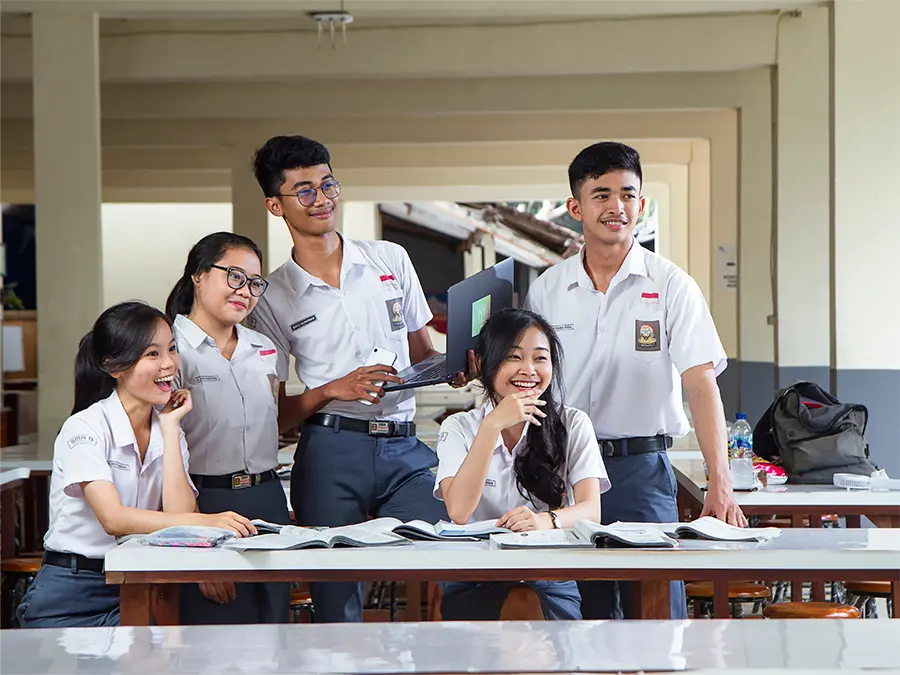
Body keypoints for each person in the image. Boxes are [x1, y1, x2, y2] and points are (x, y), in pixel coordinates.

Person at [246, 135, 468, 623]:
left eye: (328, 184)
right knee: (337, 600)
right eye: (304, 191)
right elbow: (275, 416)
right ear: (274, 205)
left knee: (454, 555)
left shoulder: (390, 259)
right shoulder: (272, 296)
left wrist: (454, 368)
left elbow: (422, 354)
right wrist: (331, 390)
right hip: (330, 452)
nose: (322, 199)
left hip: (406, 448)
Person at [524, 141, 746, 620]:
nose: (616, 207)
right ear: (575, 207)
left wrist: (719, 482)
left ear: (641, 204)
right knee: (585, 618)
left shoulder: (671, 285)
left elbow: (701, 384)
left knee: (657, 614)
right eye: (601, 194)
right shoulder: (547, 289)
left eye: (627, 194)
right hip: (569, 470)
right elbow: (527, 382)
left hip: (642, 469)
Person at [16, 302, 254, 629]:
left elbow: (179, 514)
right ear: (114, 366)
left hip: (143, 581)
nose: (169, 363)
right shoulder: (85, 427)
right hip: (74, 590)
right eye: (152, 354)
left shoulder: (169, 428)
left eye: (172, 349)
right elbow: (113, 519)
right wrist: (207, 523)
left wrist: (171, 429)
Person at [434, 308, 609, 620]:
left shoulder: (573, 423)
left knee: (526, 603)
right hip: (476, 573)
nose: (528, 369)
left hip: (547, 571)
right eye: (513, 357)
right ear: (484, 364)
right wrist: (491, 427)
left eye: (540, 358)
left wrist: (545, 521)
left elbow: (591, 509)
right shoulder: (458, 427)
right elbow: (459, 512)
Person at [166, 232, 290, 624]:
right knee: (216, 636)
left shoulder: (265, 348)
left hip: (268, 498)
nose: (246, 292)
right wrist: (194, 538)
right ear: (198, 276)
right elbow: (157, 450)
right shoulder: (171, 350)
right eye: (234, 276)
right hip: (205, 501)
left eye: (255, 283)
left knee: (274, 629)